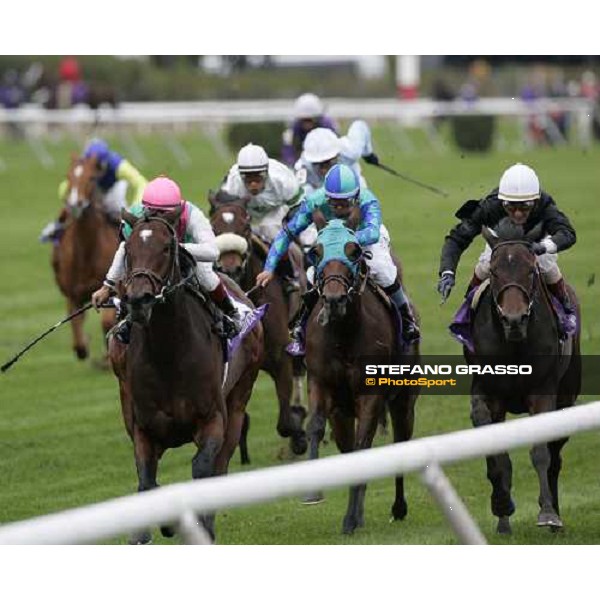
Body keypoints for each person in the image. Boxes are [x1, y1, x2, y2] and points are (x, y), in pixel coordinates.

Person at [255, 164, 420, 355]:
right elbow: (287, 233)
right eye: (335, 203)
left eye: (345, 202)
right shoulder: (314, 202)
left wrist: (346, 242)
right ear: (326, 197)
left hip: (362, 236)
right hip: (331, 239)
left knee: (383, 269)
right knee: (311, 275)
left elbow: (372, 233)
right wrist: (269, 267)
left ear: (356, 196)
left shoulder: (368, 200)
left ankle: (407, 321)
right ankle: (301, 329)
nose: (340, 207)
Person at [91, 176, 242, 341]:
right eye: (153, 212)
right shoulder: (135, 215)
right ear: (145, 209)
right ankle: (128, 320)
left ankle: (229, 313)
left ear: (177, 210)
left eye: (165, 214)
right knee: (136, 277)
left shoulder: (192, 214)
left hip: (189, 253)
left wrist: (177, 247)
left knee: (205, 275)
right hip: (156, 258)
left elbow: (213, 252)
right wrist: (107, 287)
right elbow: (123, 250)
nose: (159, 218)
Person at [437, 163, 577, 329]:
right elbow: (457, 238)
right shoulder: (490, 206)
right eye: (511, 207)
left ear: (535, 201)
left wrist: (545, 246)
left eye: (525, 207)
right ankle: (467, 314)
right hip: (501, 241)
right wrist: (448, 272)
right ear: (502, 202)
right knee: (483, 268)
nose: (517, 213)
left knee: (548, 268)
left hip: (536, 242)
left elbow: (567, 233)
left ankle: (567, 312)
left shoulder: (545, 204)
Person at [220, 142, 301, 289]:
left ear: (266, 172)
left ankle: (289, 276)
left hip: (276, 211)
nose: (253, 185)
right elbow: (226, 210)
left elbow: (298, 206)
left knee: (271, 230)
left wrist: (289, 227)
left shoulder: (283, 180)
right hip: (245, 213)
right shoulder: (231, 183)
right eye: (247, 179)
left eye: (258, 178)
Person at [292, 122, 380, 252]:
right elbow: (303, 198)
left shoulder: (351, 150)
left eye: (328, 162)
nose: (323, 169)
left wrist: (368, 153)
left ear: (337, 155)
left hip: (356, 192)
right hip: (325, 199)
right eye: (318, 164)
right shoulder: (302, 168)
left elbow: (360, 126)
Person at [40, 138, 148, 243]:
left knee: (120, 216)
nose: (95, 169)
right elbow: (66, 188)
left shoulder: (117, 164)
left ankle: (128, 239)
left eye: (98, 166)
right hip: (94, 189)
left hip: (113, 189)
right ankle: (57, 226)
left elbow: (141, 182)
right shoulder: (84, 163)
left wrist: (134, 208)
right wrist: (70, 198)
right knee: (74, 206)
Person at [281, 93, 337, 167]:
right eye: (304, 120)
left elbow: (336, 147)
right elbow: (288, 150)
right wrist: (293, 165)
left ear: (317, 118)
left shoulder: (327, 124)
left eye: (309, 120)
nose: (306, 124)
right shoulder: (294, 127)